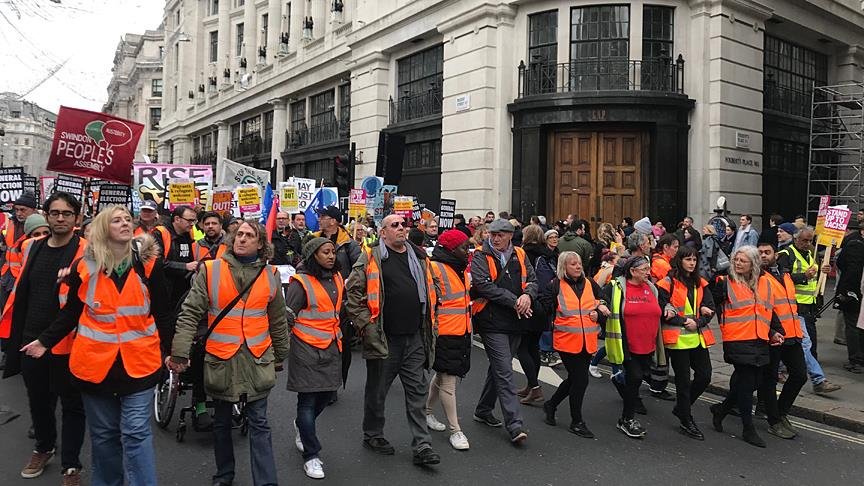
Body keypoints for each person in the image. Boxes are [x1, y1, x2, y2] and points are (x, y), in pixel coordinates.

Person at [21, 205, 173, 484]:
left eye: (127, 219)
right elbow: (72, 311)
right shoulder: (84, 266)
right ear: (104, 229)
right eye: (116, 220)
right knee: (104, 436)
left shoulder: (148, 265)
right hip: (94, 366)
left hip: (140, 364)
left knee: (136, 433)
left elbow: (163, 312)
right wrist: (44, 341)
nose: (125, 223)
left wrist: (174, 352)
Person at [169, 220, 288, 486]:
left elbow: (278, 319)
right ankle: (224, 475)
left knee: (259, 422)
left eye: (249, 235)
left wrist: (281, 354)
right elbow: (190, 313)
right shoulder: (211, 270)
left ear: (261, 244)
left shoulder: (271, 274)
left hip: (257, 359)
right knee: (222, 423)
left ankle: (266, 482)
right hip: (222, 359)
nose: (242, 239)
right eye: (239, 234)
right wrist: (180, 353)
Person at [0, 192, 87, 483]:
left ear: (77, 218)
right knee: (38, 401)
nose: (60, 218)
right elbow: (23, 290)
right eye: (55, 213)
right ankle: (44, 446)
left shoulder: (86, 250)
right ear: (46, 215)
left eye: (67, 213)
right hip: (30, 338)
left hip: (69, 341)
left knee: (72, 404)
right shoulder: (32, 247)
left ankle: (71, 465)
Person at [346, 213, 441, 465]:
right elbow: (353, 294)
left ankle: (422, 445)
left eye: (403, 224)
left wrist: (433, 320)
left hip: (415, 337)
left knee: (417, 392)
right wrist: (367, 327)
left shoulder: (419, 256)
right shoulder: (371, 257)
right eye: (394, 225)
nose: (401, 228)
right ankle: (373, 434)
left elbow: (434, 288)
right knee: (377, 392)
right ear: (383, 232)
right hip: (384, 338)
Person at [469, 218, 537, 444]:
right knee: (505, 370)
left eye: (500, 235)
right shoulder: (480, 255)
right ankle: (515, 425)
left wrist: (528, 296)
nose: (495, 238)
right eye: (493, 234)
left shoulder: (520, 253)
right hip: (491, 320)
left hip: (515, 320)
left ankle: (483, 410)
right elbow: (483, 286)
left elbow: (532, 280)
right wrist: (515, 300)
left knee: (499, 368)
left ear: (509, 235)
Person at [710, 246, 784, 448]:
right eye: (736, 260)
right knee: (747, 382)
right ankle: (748, 428)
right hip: (738, 340)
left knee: (753, 382)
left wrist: (775, 331)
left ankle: (722, 410)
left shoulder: (764, 282)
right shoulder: (725, 283)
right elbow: (707, 303)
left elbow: (767, 311)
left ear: (754, 264)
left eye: (743, 261)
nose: (738, 263)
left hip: (760, 339)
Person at [284, 237, 345, 479]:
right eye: (325, 252)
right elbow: (287, 317)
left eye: (333, 252)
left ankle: (302, 425)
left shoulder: (337, 277)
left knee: (327, 395)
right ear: (313, 256)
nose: (331, 256)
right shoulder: (301, 283)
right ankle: (311, 455)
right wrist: (279, 350)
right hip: (305, 348)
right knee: (308, 401)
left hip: (331, 346)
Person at [540, 251, 608, 438]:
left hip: (587, 340)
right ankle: (576, 421)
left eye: (579, 263)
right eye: (573, 264)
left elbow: (602, 299)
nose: (578, 266)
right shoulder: (555, 285)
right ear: (564, 267)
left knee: (574, 379)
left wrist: (599, 312)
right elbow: (544, 308)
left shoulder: (590, 283)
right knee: (581, 380)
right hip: (566, 341)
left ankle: (551, 405)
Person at [656, 246, 716, 440]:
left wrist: (699, 321)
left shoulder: (700, 283)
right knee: (683, 382)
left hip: (697, 337)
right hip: (677, 340)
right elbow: (662, 311)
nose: (692, 263)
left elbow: (710, 307)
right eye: (688, 259)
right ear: (679, 260)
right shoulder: (667, 283)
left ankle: (682, 408)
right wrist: (684, 321)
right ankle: (686, 419)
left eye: (694, 259)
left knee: (704, 376)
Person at [603, 256, 663, 439]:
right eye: (644, 269)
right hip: (627, 344)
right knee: (635, 378)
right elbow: (600, 299)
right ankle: (626, 419)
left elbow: (662, 305)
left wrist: (670, 309)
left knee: (639, 377)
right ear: (632, 271)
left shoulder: (651, 288)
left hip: (648, 344)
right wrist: (601, 306)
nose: (648, 272)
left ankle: (620, 379)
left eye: (648, 269)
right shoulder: (617, 287)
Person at [424, 229, 472, 451]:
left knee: (443, 375)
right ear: (452, 249)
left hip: (460, 330)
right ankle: (455, 430)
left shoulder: (459, 268)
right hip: (444, 332)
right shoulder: (435, 268)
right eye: (464, 247)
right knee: (448, 381)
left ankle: (427, 412)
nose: (468, 251)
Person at [757, 242, 808, 440]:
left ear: (776, 255)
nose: (763, 255)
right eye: (760, 252)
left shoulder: (786, 276)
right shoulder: (758, 277)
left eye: (767, 252)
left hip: (792, 334)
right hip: (772, 335)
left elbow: (790, 304)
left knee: (800, 375)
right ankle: (774, 421)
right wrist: (770, 332)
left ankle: (780, 411)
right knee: (769, 379)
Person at [777, 226, 830, 359]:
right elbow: (780, 279)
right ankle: (805, 363)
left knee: (810, 336)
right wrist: (803, 276)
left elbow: (814, 277)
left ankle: (811, 361)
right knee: (802, 338)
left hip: (810, 303)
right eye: (805, 240)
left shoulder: (810, 254)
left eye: (810, 241)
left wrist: (823, 271)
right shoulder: (786, 254)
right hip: (795, 303)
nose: (808, 244)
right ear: (796, 239)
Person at [515, 224, 551, 403]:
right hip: (544, 305)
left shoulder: (524, 254)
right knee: (533, 347)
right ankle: (531, 385)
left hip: (529, 303)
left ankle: (535, 387)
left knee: (521, 347)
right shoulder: (549, 254)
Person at [153, 205, 197, 312]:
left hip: (183, 291)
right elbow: (157, 263)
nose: (192, 224)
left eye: (194, 221)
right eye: (189, 220)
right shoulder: (159, 233)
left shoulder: (188, 235)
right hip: (164, 291)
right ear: (177, 219)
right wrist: (185, 266)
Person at [836, 220, 864, 372]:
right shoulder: (856, 242)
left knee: (853, 324)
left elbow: (850, 269)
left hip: (854, 290)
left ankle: (856, 359)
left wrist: (847, 291)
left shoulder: (854, 244)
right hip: (857, 289)